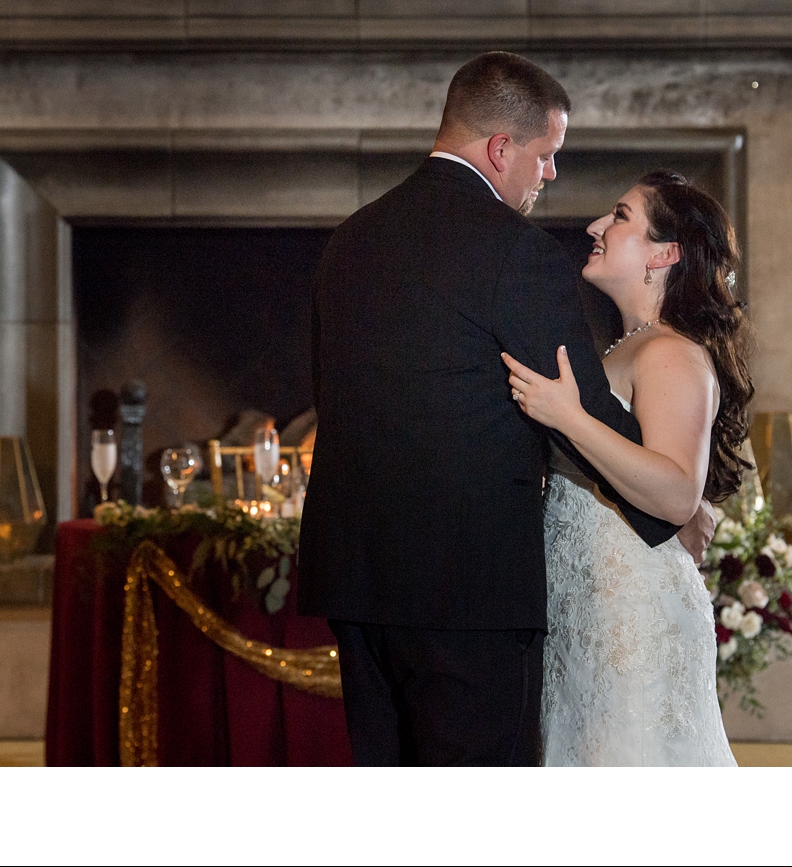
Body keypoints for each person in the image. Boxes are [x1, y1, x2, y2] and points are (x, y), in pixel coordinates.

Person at [296, 52, 713, 766]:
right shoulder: (515, 252)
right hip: (470, 592)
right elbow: (569, 399)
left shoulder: (349, 241)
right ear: (501, 149)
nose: (550, 176)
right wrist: (670, 507)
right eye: (546, 156)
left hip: (358, 581)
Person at [503, 170, 749, 765]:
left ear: (665, 253)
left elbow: (675, 494)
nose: (595, 226)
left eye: (619, 217)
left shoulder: (669, 350)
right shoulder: (623, 347)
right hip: (588, 604)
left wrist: (568, 417)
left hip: (631, 612)